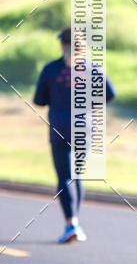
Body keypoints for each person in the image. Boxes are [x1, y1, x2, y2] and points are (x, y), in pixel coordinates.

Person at [33, 27, 116, 244]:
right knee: (77, 174)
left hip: (59, 128)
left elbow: (39, 100)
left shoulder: (51, 69)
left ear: (62, 44)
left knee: (64, 176)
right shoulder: (91, 67)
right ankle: (75, 224)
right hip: (84, 128)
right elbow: (110, 93)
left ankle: (71, 224)